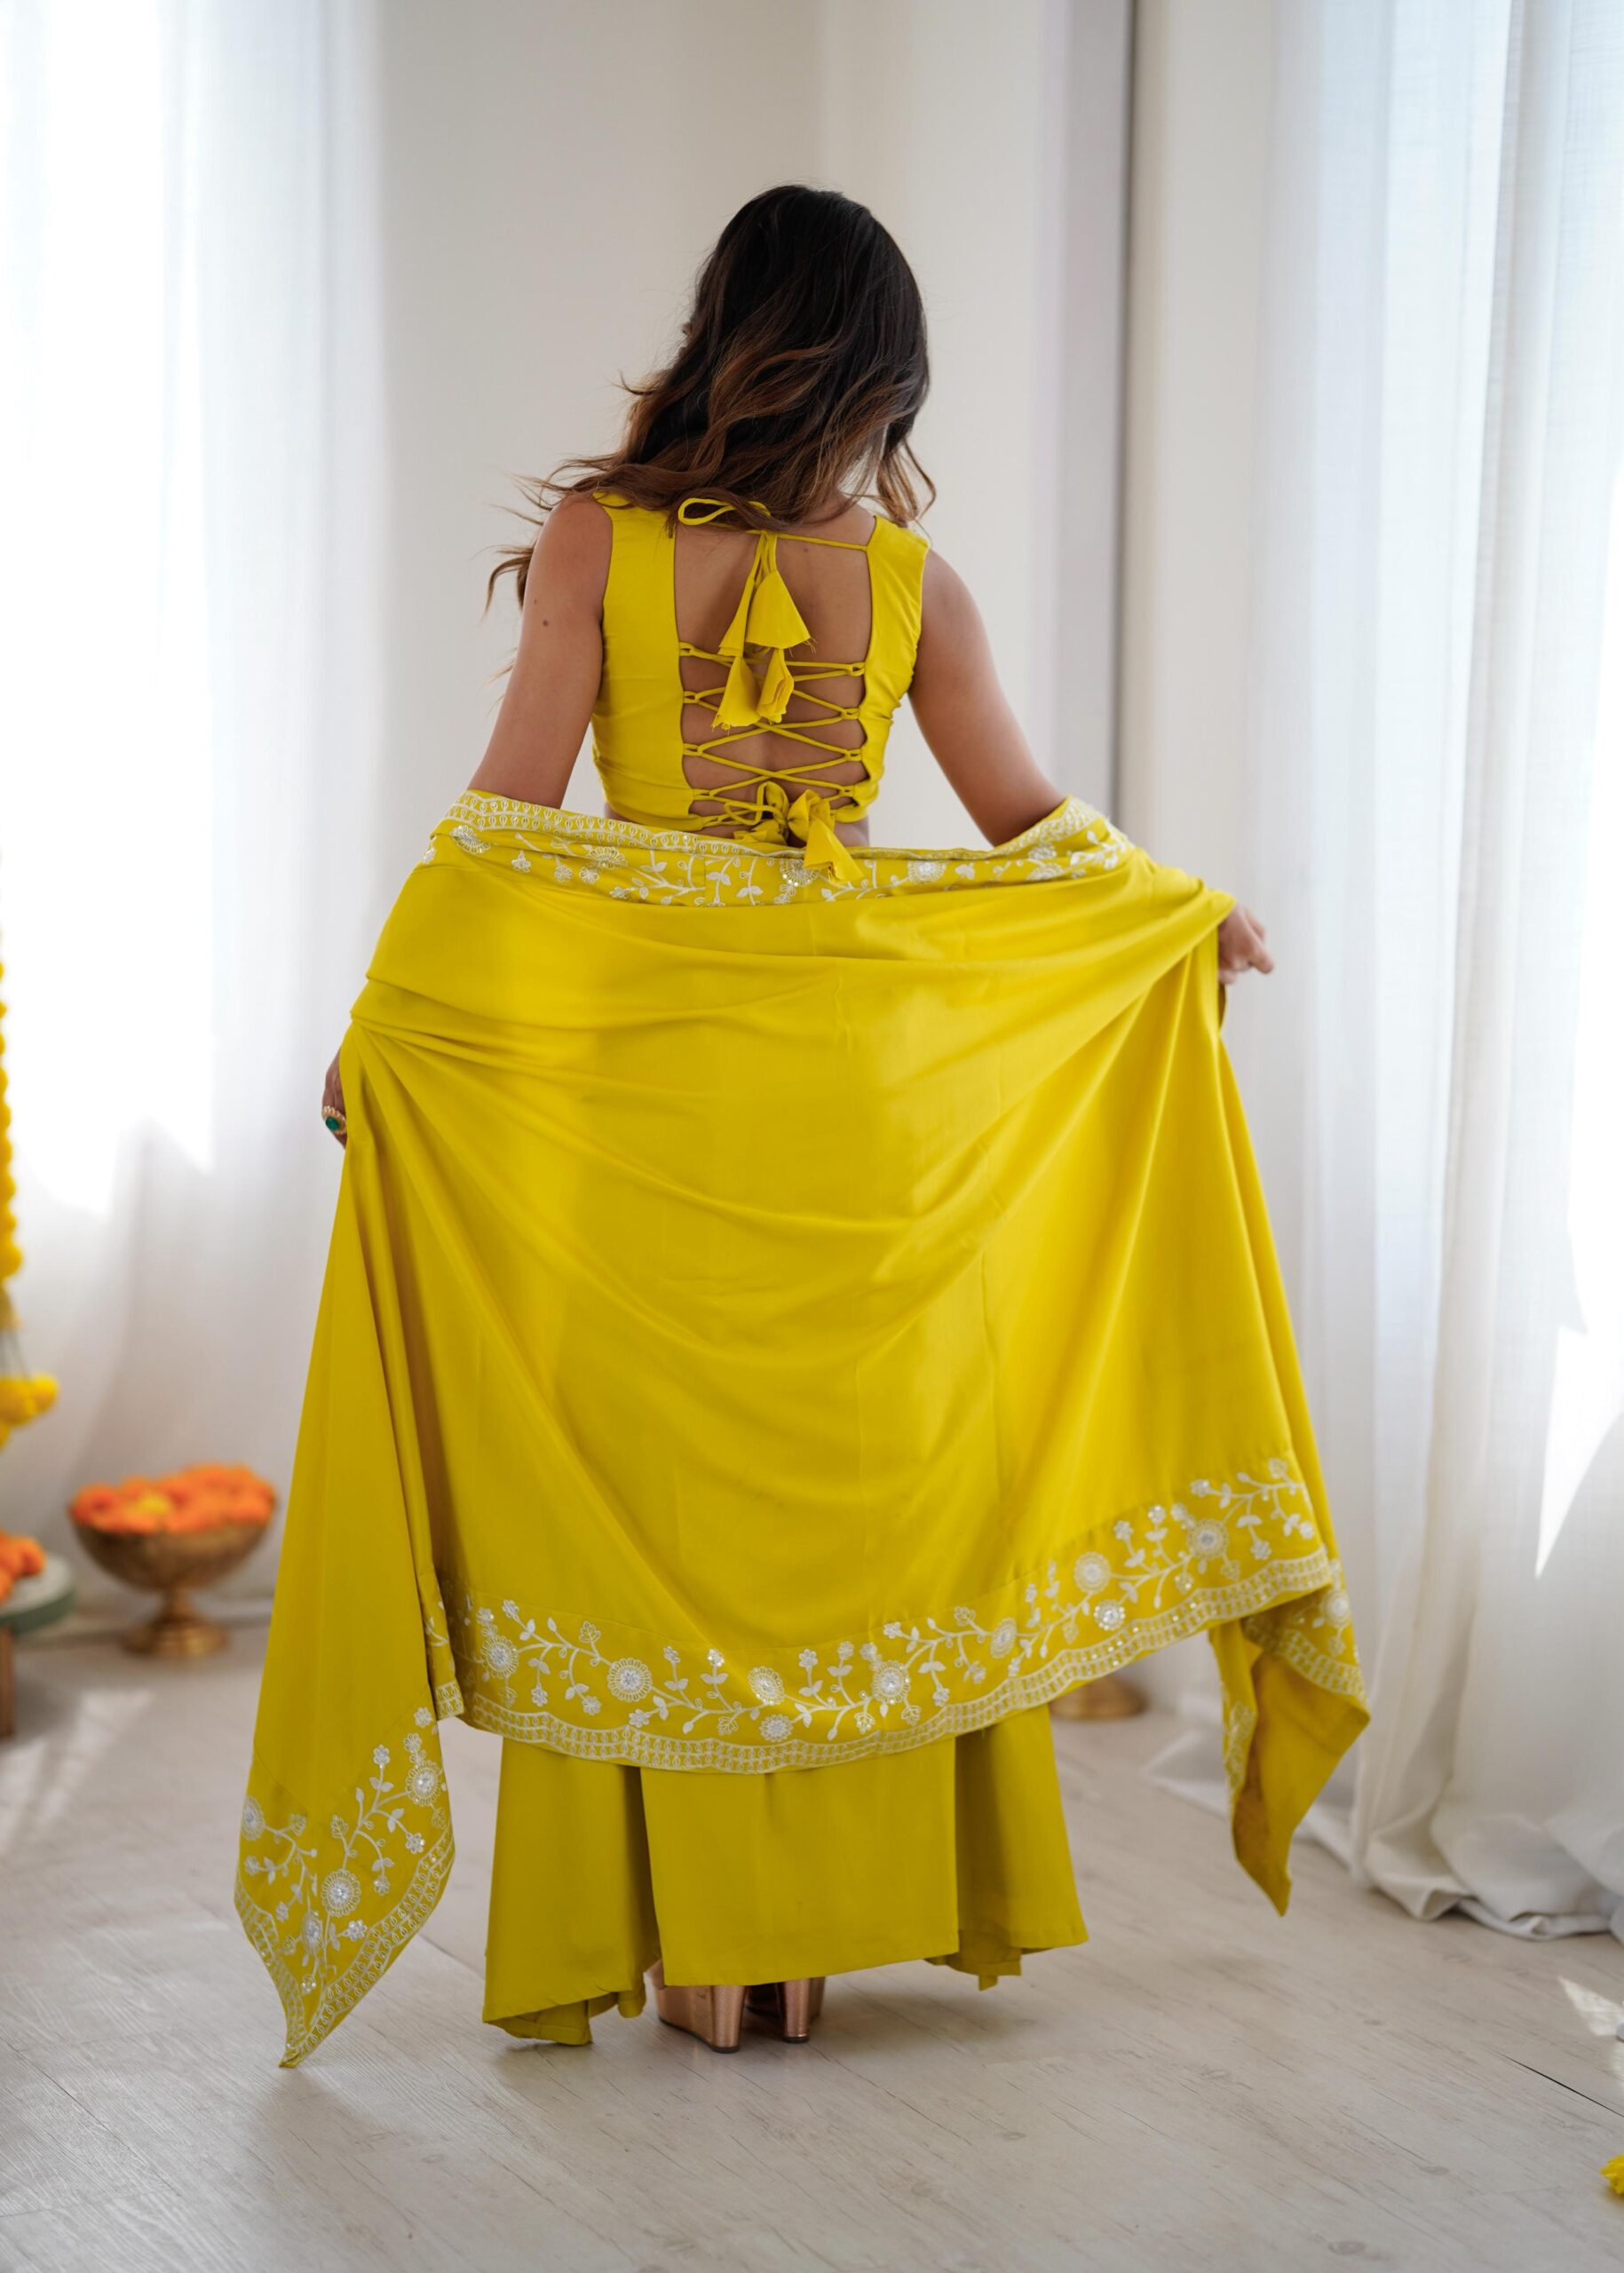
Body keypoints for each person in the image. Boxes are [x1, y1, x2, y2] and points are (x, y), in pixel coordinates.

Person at [243, 185, 1365, 2069]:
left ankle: (695, 1944)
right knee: (862, 1501)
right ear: (874, 373)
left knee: (659, 1503)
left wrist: (390, 1017)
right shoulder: (914, 580)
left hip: (653, 1093)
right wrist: (1185, 913)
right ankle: (803, 1947)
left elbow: (507, 819)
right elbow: (1034, 827)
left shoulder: (599, 541)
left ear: (725, 333)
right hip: (862, 1105)